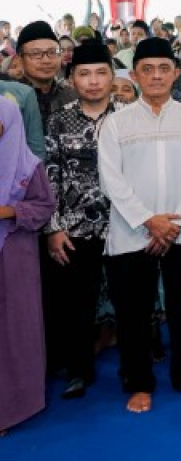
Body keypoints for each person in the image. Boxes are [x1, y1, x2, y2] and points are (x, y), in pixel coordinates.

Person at [98, 37, 181, 413]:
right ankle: (138, 383)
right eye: (147, 69)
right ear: (134, 75)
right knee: (133, 313)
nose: (156, 75)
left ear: (175, 72)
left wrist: (173, 223)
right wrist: (149, 220)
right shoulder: (115, 123)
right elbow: (110, 178)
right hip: (133, 231)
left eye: (164, 68)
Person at [41, 41, 116, 400]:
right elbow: (49, 175)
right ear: (72, 78)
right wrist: (53, 228)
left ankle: (135, 367)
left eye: (101, 73)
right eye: (85, 74)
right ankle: (78, 370)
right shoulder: (59, 119)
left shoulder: (128, 117)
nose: (94, 81)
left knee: (130, 299)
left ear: (112, 77)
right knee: (76, 304)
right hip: (74, 228)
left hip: (124, 224)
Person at [0, 97, 55, 434]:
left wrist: (7, 212)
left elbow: (44, 205)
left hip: (13, 259)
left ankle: (10, 407)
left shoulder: (27, 164)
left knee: (13, 331)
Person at [15, 21, 75, 131]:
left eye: (52, 52)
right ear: (20, 60)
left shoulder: (72, 97)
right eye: (36, 54)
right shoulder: (10, 98)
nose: (46, 60)